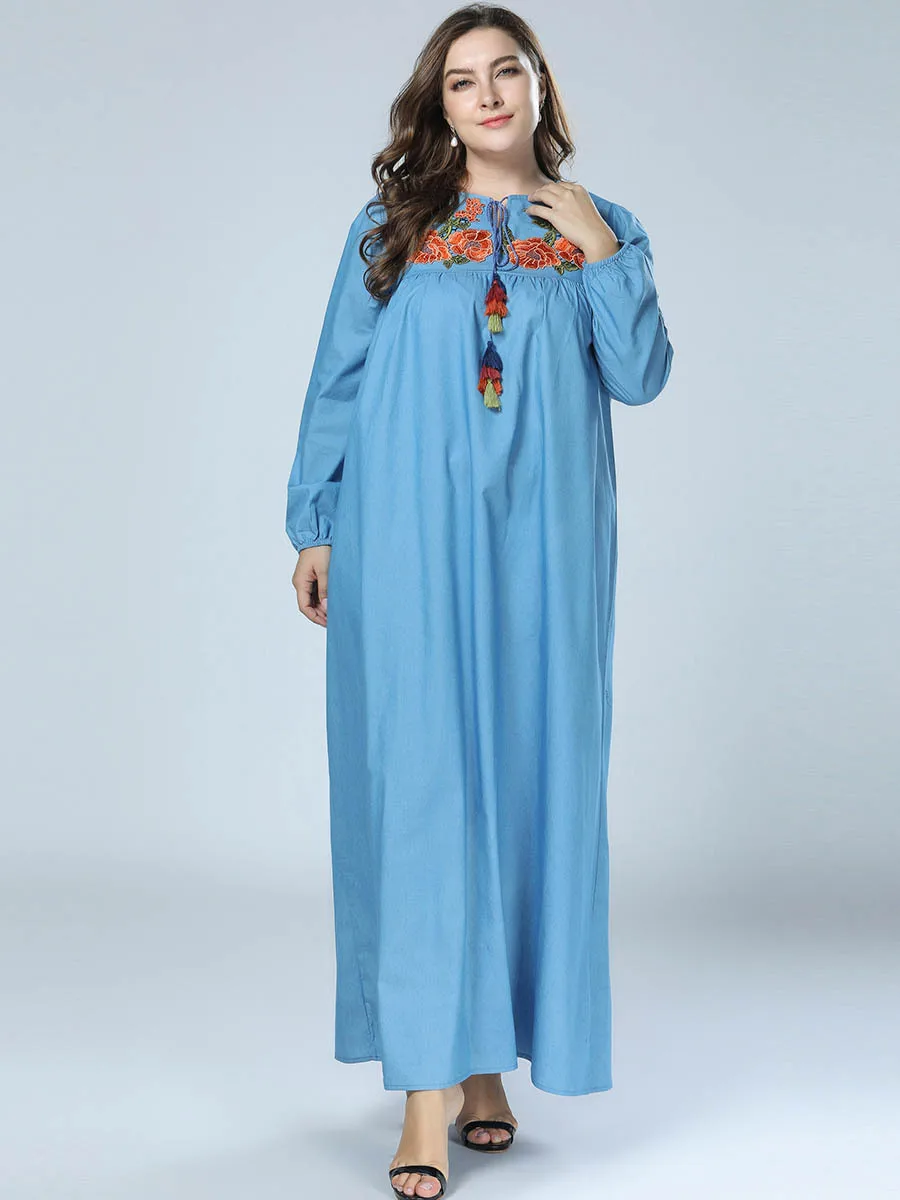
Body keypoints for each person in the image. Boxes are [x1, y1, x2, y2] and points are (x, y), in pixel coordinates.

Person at [285, 6, 674, 1198]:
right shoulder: (392, 229)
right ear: (440, 106)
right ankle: (424, 1091)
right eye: (463, 81)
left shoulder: (602, 225)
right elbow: (338, 379)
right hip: (405, 537)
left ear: (539, 85)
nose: (490, 93)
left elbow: (641, 376)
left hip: (548, 549)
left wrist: (600, 251)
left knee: (529, 780)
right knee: (423, 787)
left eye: (507, 70)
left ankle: (487, 1065)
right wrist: (316, 522)